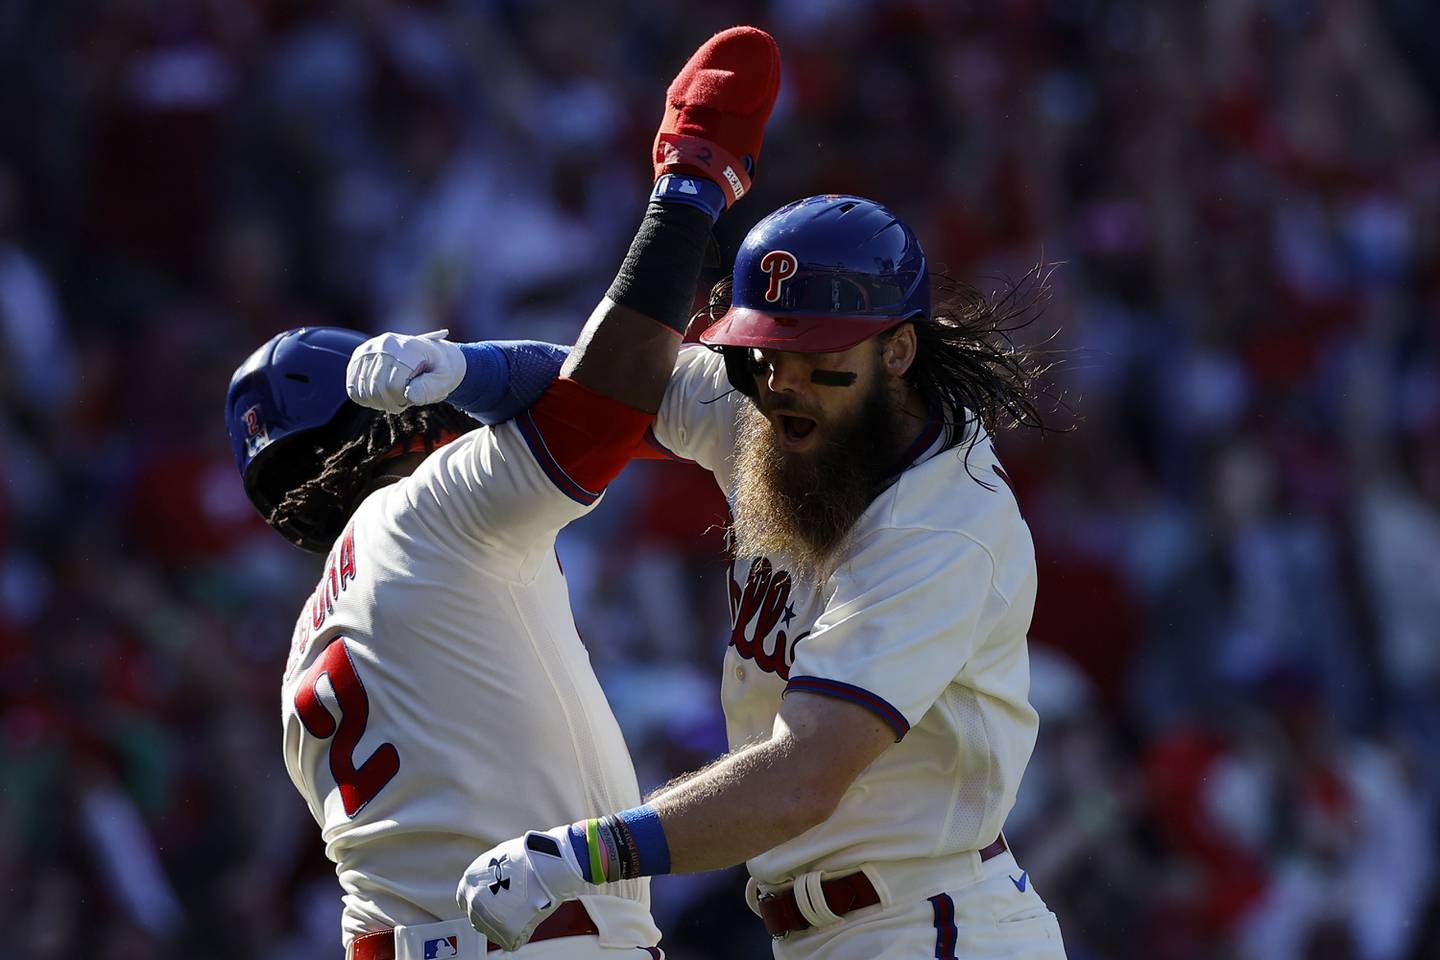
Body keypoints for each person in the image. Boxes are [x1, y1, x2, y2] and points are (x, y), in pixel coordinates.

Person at [358, 197, 1068, 958]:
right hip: (835, 927)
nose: (781, 381)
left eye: (815, 354)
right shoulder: (775, 403)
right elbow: (606, 392)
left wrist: (580, 855)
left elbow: (804, 776)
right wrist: (465, 366)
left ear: (897, 352)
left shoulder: (942, 524)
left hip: (931, 922)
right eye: (762, 350)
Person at [221, 27, 780, 958]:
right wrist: (688, 189)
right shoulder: (431, 512)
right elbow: (600, 407)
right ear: (380, 416)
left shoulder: (301, 660)